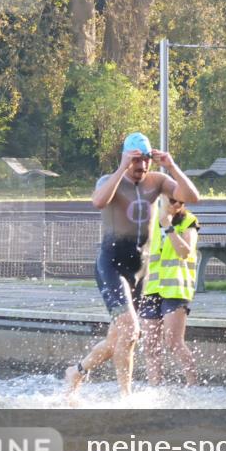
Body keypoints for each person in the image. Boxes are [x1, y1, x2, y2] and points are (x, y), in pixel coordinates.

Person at [65, 132, 200, 397]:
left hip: (139, 271)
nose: (142, 167)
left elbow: (192, 197)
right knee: (131, 330)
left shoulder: (157, 181)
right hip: (111, 265)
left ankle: (77, 371)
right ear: (126, 158)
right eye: (136, 161)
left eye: (146, 160)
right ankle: (126, 398)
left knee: (120, 337)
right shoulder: (110, 180)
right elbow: (98, 201)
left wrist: (171, 166)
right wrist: (120, 169)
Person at [139, 194, 200, 386]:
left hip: (176, 288)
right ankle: (154, 386)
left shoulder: (188, 221)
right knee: (150, 344)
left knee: (174, 342)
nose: (177, 205)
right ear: (163, 198)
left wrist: (168, 226)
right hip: (151, 288)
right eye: (173, 201)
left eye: (181, 202)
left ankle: (193, 385)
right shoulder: (150, 219)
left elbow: (185, 251)